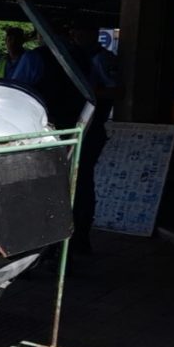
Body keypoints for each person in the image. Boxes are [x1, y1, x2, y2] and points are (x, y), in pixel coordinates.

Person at [68, 24, 120, 255]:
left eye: (80, 31)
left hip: (91, 127)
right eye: (73, 32)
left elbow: (117, 90)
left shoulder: (101, 59)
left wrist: (85, 91)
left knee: (82, 183)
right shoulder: (78, 57)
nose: (75, 35)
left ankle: (81, 236)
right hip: (78, 127)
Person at [0, 27, 45, 92]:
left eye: (16, 40)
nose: (13, 43)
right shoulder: (0, 63)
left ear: (22, 41)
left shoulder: (30, 60)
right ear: (6, 41)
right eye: (10, 39)